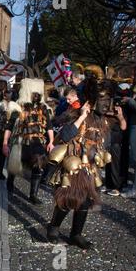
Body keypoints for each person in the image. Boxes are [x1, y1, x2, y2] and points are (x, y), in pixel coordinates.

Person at [46, 79, 112, 249]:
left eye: (108, 100)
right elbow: (66, 135)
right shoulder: (77, 114)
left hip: (90, 168)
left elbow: (107, 143)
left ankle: (76, 234)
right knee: (68, 199)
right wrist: (82, 115)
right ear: (92, 101)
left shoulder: (104, 121)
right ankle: (53, 227)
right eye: (103, 100)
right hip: (72, 167)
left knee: (85, 202)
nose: (107, 104)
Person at [2, 56, 55, 205]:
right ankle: (10, 185)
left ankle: (33, 195)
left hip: (38, 142)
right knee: (14, 165)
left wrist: (51, 141)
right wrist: (5, 143)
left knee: (38, 166)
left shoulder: (44, 108)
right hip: (20, 142)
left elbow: (49, 125)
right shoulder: (17, 107)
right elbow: (9, 126)